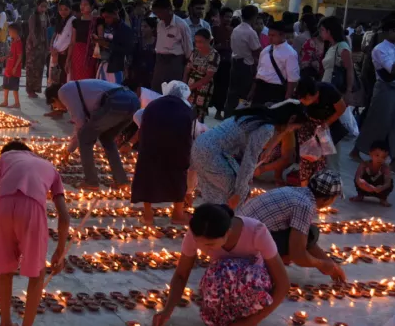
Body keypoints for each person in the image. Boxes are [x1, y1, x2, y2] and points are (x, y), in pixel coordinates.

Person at [152, 204, 290, 326]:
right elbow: (181, 275)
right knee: (217, 273)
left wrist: (250, 323)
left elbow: (283, 284)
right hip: (224, 281)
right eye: (199, 243)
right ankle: (217, 320)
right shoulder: (195, 234)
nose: (203, 248)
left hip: (253, 283)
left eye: (210, 245)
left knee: (229, 270)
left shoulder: (256, 231)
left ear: (227, 233)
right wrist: (167, 311)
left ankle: (243, 320)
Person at [0, 142, 69, 326]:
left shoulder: (5, 158)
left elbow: (4, 187)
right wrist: (60, 251)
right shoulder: (50, 167)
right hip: (31, 208)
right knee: (37, 273)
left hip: (3, 205)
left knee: (5, 269)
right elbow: (64, 216)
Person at [191, 101, 305, 208]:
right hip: (211, 154)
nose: (290, 131)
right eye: (294, 127)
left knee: (213, 199)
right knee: (241, 194)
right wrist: (239, 192)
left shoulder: (259, 116)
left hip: (199, 147)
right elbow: (249, 160)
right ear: (292, 119)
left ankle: (207, 225)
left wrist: (247, 176)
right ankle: (228, 225)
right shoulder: (267, 128)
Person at [236, 171, 347, 281]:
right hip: (244, 249)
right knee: (302, 238)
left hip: (236, 235)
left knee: (310, 232)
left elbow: (306, 238)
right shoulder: (305, 205)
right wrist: (321, 264)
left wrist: (329, 264)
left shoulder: (296, 192)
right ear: (326, 199)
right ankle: (268, 264)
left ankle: (274, 259)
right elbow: (298, 256)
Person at [46, 78, 140, 189]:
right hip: (132, 100)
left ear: (54, 98)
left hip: (115, 102)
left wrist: (69, 150)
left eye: (56, 105)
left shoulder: (63, 92)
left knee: (85, 138)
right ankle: (122, 181)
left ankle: (91, 181)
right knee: (107, 138)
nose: (60, 108)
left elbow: (80, 125)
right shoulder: (74, 88)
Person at [131, 82, 196, 224]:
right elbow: (189, 134)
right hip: (176, 150)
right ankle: (177, 214)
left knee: (148, 177)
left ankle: (148, 216)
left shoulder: (153, 104)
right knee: (177, 177)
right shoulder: (186, 109)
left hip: (151, 148)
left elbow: (140, 118)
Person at [352, 19, 395, 168]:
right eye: (394, 30)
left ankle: (394, 157)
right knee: (378, 122)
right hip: (384, 87)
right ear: (386, 32)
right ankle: (357, 149)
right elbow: (391, 69)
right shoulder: (380, 49)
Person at [294, 75, 347, 185]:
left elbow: (341, 108)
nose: (302, 101)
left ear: (310, 96)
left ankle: (330, 189)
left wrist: (327, 123)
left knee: (330, 162)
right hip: (309, 127)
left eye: (304, 99)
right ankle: (307, 188)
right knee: (307, 159)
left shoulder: (328, 91)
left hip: (328, 127)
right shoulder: (301, 96)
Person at [224, 4, 263, 114]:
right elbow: (257, 51)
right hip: (246, 65)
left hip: (235, 63)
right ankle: (240, 116)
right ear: (254, 17)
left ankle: (228, 114)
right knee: (245, 94)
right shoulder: (251, 32)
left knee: (232, 92)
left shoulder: (236, 29)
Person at [249, 19, 299, 105]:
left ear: (282, 35)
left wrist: (287, 98)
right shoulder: (265, 50)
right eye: (269, 35)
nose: (270, 38)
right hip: (260, 88)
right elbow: (259, 72)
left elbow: (292, 79)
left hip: (276, 90)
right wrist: (252, 91)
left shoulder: (290, 53)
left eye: (273, 35)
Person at [151, 0, 193, 89]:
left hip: (174, 62)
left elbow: (188, 49)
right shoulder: (160, 24)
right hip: (159, 61)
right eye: (156, 13)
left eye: (160, 12)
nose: (158, 15)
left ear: (169, 9)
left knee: (172, 90)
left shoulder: (181, 25)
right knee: (156, 89)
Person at [185, 28, 219, 122]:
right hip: (190, 84)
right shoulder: (195, 51)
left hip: (203, 87)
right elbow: (187, 68)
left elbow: (208, 77)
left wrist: (191, 87)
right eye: (196, 41)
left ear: (208, 40)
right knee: (187, 110)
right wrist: (184, 85)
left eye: (201, 41)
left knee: (198, 113)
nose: (198, 44)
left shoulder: (214, 55)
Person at [95, 2, 133, 83]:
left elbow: (127, 50)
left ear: (115, 14)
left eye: (108, 17)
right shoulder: (107, 27)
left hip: (116, 67)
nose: (106, 20)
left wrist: (108, 45)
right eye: (104, 18)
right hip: (103, 64)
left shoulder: (125, 30)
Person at [352, 140, 395, 206]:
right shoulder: (364, 164)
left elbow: (388, 182)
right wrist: (361, 184)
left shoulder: (385, 167)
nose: (380, 159)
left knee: (391, 183)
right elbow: (358, 177)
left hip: (378, 189)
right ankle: (360, 195)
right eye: (377, 155)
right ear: (370, 154)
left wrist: (382, 187)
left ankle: (383, 199)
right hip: (365, 187)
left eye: (383, 157)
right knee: (357, 179)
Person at [67, 0, 98, 81]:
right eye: (81, 4)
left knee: (88, 79)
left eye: (85, 5)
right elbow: (72, 42)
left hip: (90, 54)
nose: (82, 7)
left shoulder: (97, 21)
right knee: (76, 78)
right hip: (77, 53)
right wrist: (68, 59)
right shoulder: (76, 22)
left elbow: (99, 40)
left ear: (92, 7)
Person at [25, 0, 50, 97]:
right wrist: (35, 43)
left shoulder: (45, 16)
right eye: (42, 6)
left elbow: (45, 31)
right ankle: (30, 89)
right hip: (33, 45)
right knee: (31, 67)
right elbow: (31, 31)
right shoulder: (33, 17)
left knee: (39, 67)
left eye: (45, 6)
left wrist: (46, 45)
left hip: (42, 45)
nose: (43, 8)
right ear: (37, 6)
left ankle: (36, 88)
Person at [0, 23, 22, 107]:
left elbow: (20, 56)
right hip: (9, 67)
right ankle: (5, 101)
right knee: (6, 85)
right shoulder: (13, 41)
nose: (9, 32)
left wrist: (15, 67)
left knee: (14, 87)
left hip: (14, 68)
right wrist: (4, 57)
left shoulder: (18, 42)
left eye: (9, 31)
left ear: (14, 31)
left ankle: (17, 103)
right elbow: (11, 53)